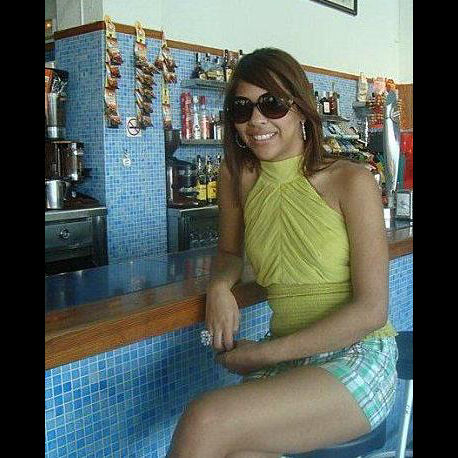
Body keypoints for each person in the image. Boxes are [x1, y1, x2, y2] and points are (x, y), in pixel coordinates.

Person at [167, 47, 398, 458]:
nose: (256, 120)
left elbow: (371, 312)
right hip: (289, 359)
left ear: (300, 108)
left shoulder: (351, 180)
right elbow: (229, 252)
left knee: (205, 418)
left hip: (358, 353)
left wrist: (261, 354)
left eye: (271, 104)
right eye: (242, 108)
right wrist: (219, 288)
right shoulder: (237, 175)